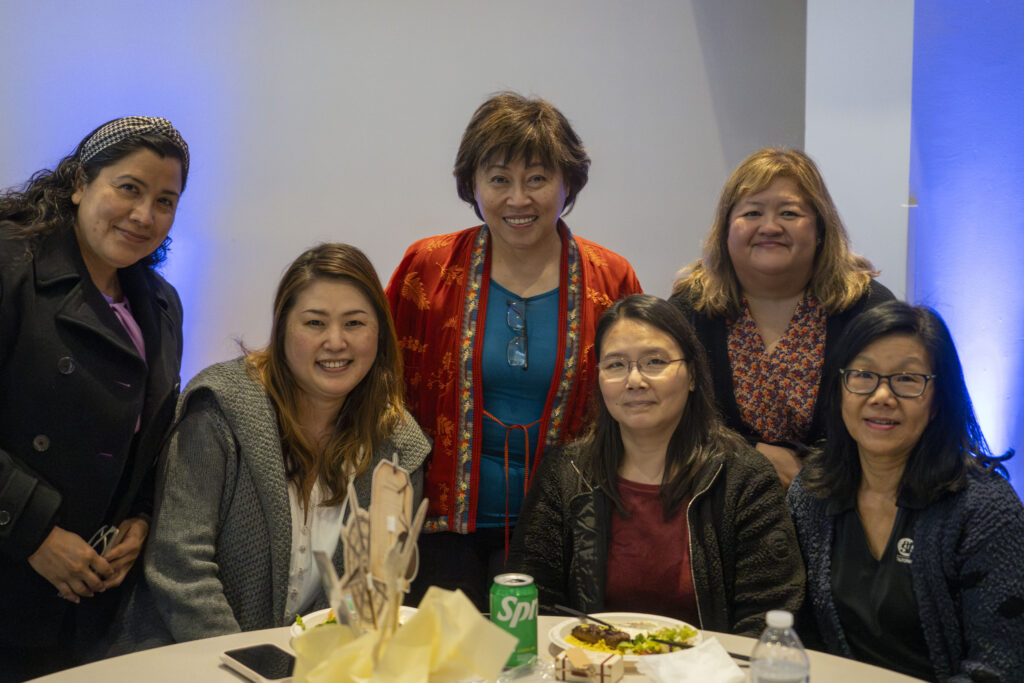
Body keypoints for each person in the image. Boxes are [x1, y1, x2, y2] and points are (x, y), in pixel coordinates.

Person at [386, 92, 642, 609]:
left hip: (561, 527)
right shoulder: (428, 266)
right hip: (436, 524)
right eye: (499, 179)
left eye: (538, 179)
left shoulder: (611, 279)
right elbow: (379, 381)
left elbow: (639, 403)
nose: (517, 199)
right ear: (473, 185)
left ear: (567, 182)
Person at [127, 243, 431, 646]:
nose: (336, 342)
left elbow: (375, 590)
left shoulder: (399, 445)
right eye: (315, 323)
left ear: (380, 333)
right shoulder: (219, 407)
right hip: (187, 660)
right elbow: (180, 566)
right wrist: (250, 663)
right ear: (283, 327)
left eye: (355, 323)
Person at [0, 116, 189, 679]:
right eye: (128, 188)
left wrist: (141, 518)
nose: (144, 215)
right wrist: (33, 531)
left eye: (165, 200)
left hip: (86, 604)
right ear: (80, 182)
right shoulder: (12, 263)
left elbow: (150, 435)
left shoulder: (161, 303)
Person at [507, 295, 804, 635]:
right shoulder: (566, 473)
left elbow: (768, 616)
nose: (635, 380)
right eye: (616, 365)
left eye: (654, 362)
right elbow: (532, 605)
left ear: (692, 375)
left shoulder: (742, 477)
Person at [788, 301, 1024, 681]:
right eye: (863, 375)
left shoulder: (985, 510)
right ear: (841, 388)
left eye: (907, 380)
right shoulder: (813, 491)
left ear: (937, 403)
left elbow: (1000, 666)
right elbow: (795, 631)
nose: (881, 396)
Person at [670, 148, 894, 488]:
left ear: (820, 228)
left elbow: (895, 413)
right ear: (727, 228)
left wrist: (814, 473)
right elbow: (668, 419)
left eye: (789, 213)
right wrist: (747, 454)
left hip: (842, 502)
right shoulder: (690, 310)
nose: (770, 227)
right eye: (752, 212)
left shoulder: (868, 309)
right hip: (719, 506)